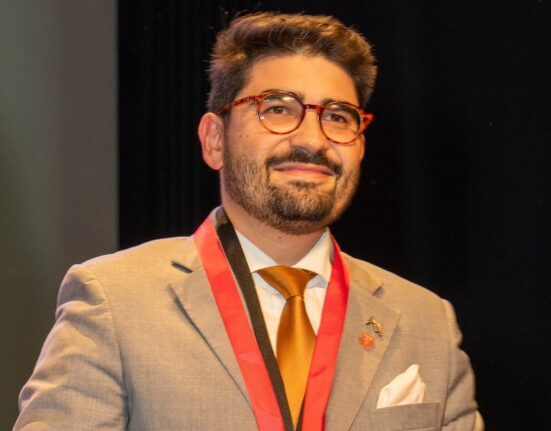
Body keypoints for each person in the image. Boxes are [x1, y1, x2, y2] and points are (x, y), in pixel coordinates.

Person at [14, 12, 483, 431]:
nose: (312, 139)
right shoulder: (114, 301)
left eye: (338, 117)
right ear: (214, 140)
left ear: (360, 145)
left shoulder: (427, 323)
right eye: (277, 108)